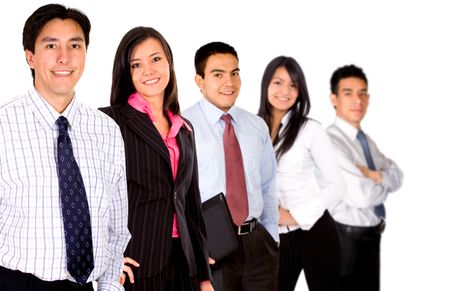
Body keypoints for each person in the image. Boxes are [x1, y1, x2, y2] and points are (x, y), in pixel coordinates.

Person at [0, 4, 131, 291]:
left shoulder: (106, 130)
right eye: (51, 45)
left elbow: (117, 228)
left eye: (75, 45)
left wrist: (109, 285)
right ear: (30, 56)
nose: (64, 57)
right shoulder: (3, 127)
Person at [99, 26, 213, 291]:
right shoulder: (111, 121)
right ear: (126, 73)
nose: (149, 71)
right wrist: (106, 256)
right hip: (137, 264)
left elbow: (191, 206)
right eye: (136, 65)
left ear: (169, 63)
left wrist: (204, 277)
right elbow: (92, 198)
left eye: (156, 59)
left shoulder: (184, 128)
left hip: (184, 265)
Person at [183, 41, 279, 291]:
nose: (230, 82)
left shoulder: (256, 126)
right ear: (199, 81)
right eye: (218, 74)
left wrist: (271, 238)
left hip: (259, 244)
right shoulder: (183, 126)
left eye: (235, 73)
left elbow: (268, 186)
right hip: (212, 246)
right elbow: (176, 196)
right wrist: (194, 250)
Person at [257, 56, 345, 291]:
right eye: (278, 82)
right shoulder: (252, 129)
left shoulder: (310, 130)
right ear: (266, 84)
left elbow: (337, 185)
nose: (285, 91)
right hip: (274, 239)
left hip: (315, 231)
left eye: (293, 85)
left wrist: (294, 216)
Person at [326, 64, 403, 291]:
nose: (357, 100)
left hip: (370, 239)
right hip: (345, 242)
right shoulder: (331, 142)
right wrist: (382, 182)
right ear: (334, 98)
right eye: (348, 93)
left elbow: (398, 176)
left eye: (362, 93)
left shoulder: (365, 141)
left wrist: (373, 175)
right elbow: (362, 196)